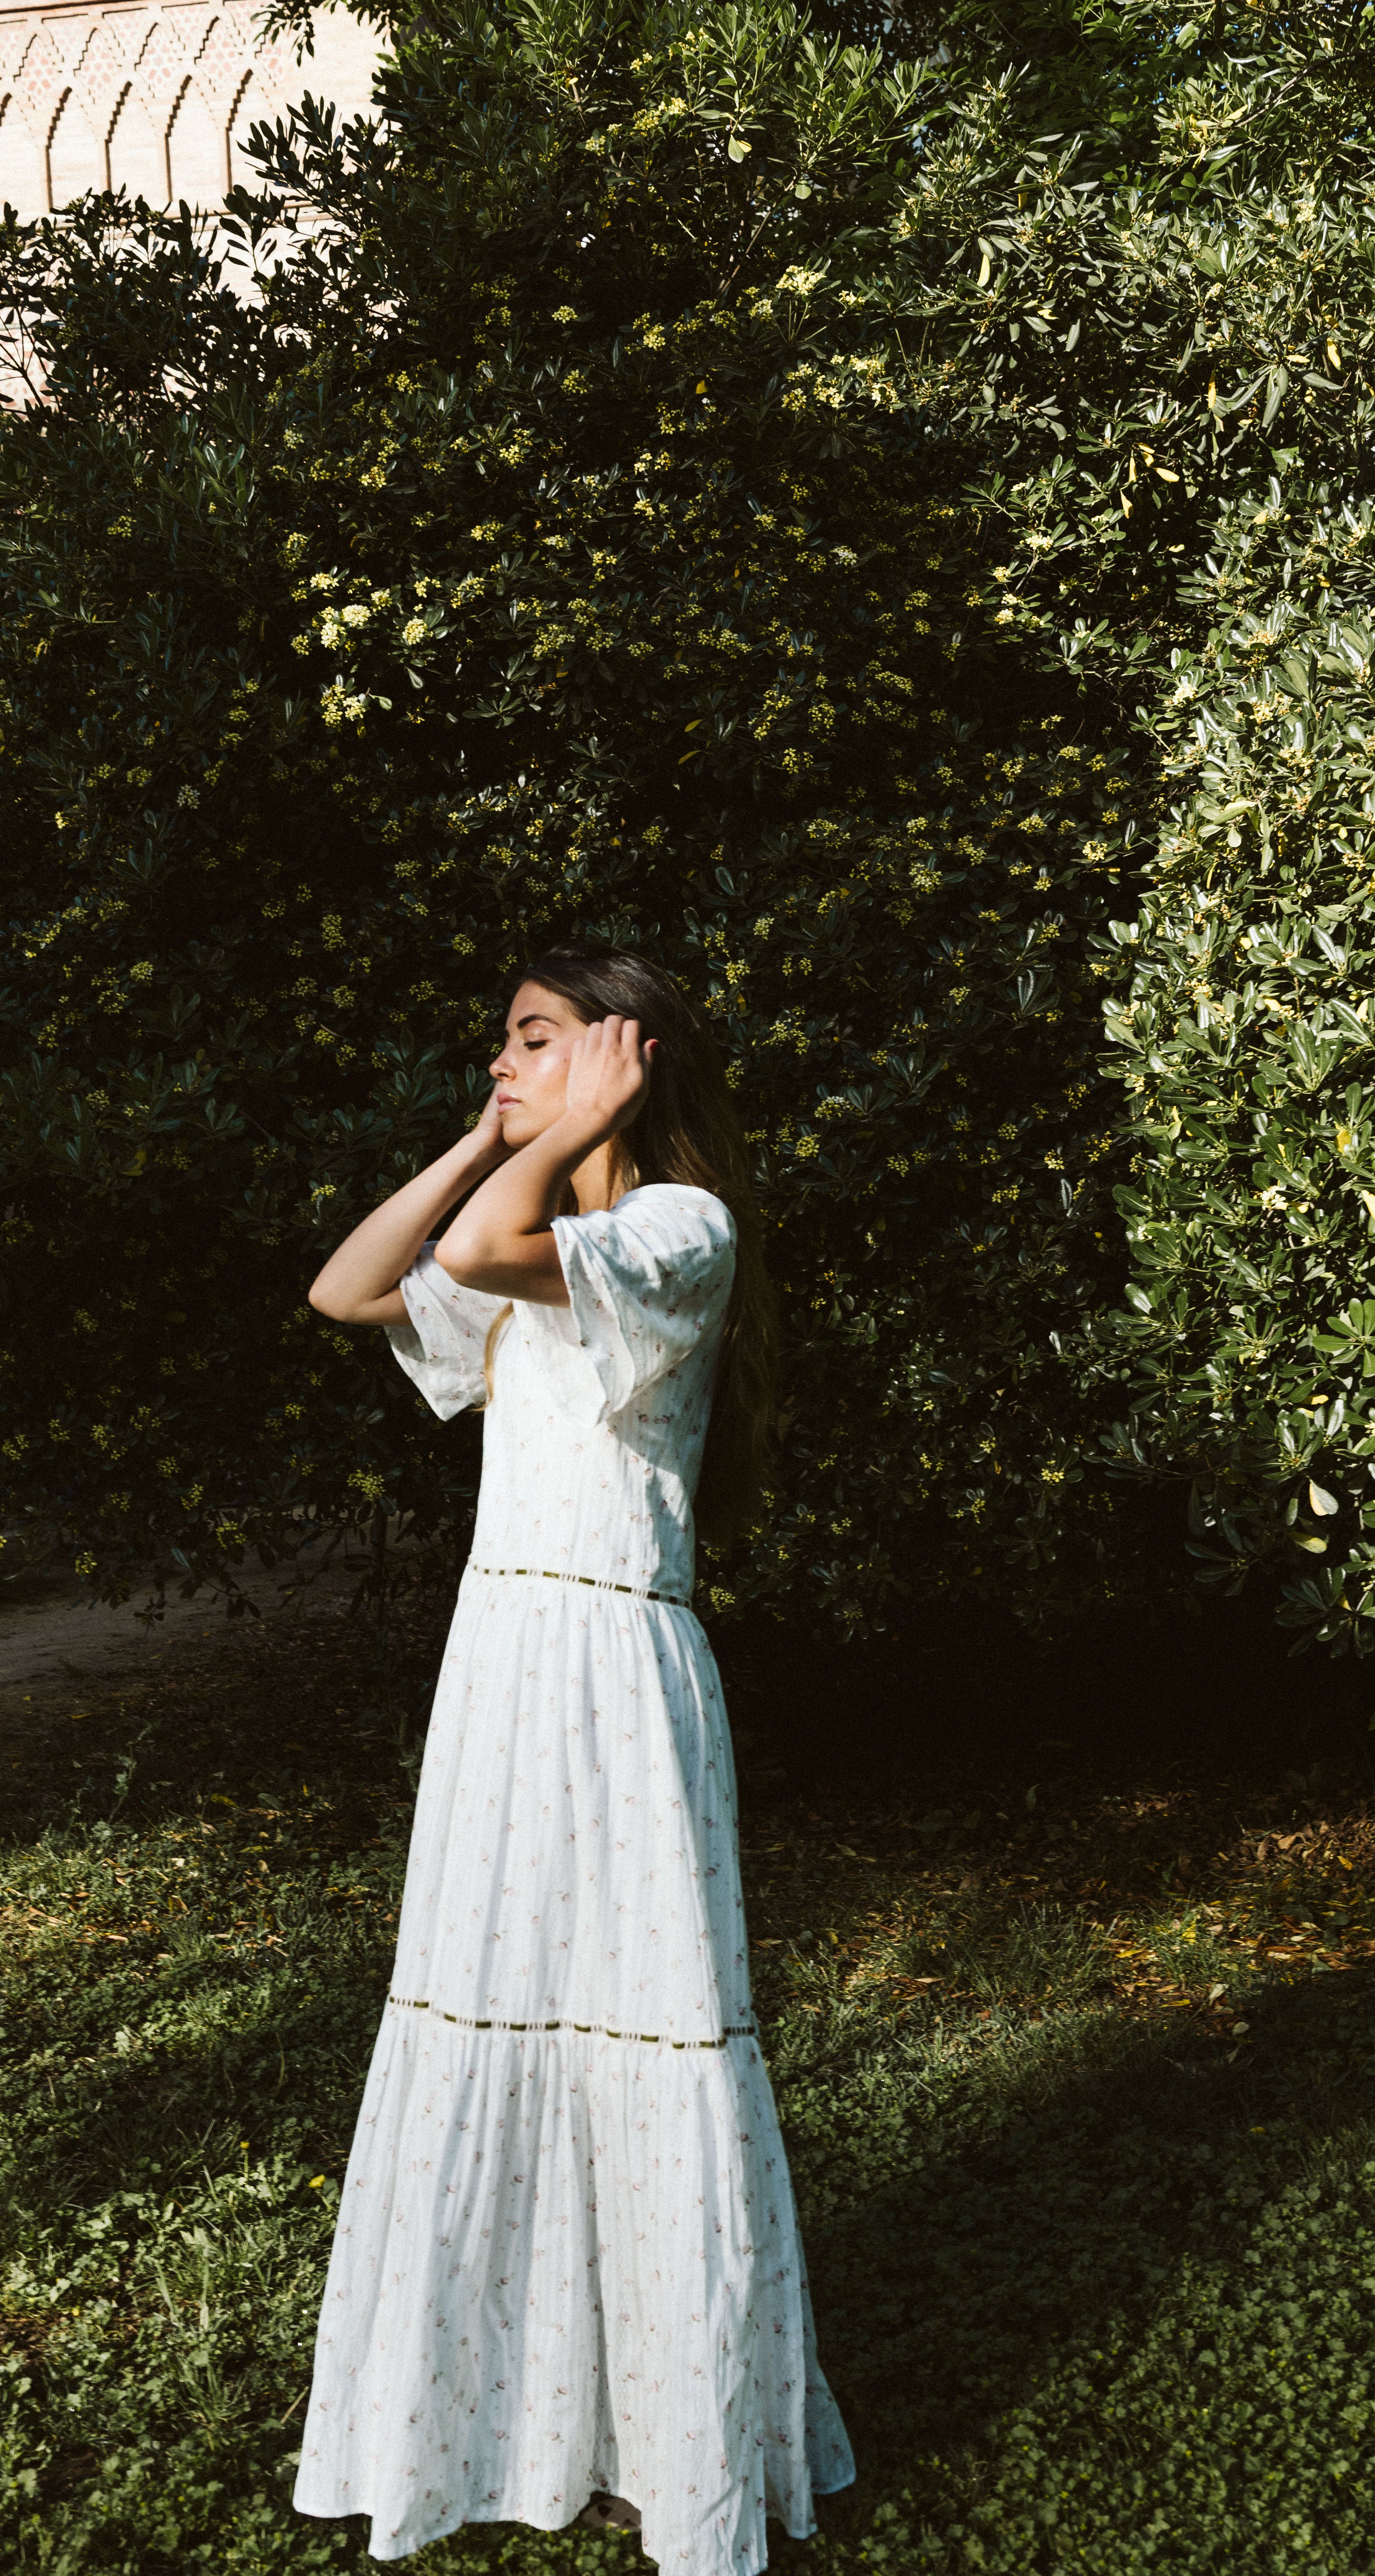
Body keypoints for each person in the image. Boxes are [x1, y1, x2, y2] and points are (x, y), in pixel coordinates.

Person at [292, 947, 854, 2568]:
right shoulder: (527, 1223)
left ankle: (675, 2449)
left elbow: (489, 1249)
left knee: (644, 2031)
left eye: (534, 1042)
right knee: (497, 2014)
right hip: (504, 1675)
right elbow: (350, 1289)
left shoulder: (678, 1236)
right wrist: (492, 1131)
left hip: (616, 1671)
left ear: (629, 1053)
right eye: (501, 1048)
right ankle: (521, 2424)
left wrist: (555, 1135)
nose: (504, 1067)